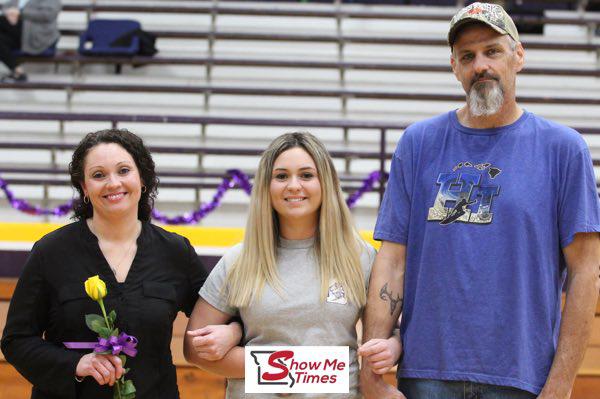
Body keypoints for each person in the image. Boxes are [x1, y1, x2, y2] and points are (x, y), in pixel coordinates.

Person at [359, 2, 600, 399]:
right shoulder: (418, 143)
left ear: (518, 56)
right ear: (454, 66)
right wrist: (371, 374)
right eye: (467, 56)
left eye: (492, 51)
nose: (480, 66)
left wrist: (559, 388)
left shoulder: (564, 150)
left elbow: (585, 274)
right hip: (426, 376)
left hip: (523, 379)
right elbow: (393, 260)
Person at [1, 128, 241, 398]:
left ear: (143, 179)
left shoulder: (175, 252)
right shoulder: (51, 252)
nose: (113, 183)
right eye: (98, 175)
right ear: (84, 188)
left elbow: (224, 315)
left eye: (124, 170)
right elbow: (16, 340)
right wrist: (76, 365)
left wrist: (233, 331)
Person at [183, 132, 389, 398]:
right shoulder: (239, 260)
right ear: (266, 187)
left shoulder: (361, 257)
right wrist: (287, 368)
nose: (293, 185)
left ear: (325, 182)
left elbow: (393, 337)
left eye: (306, 175)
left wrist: (283, 366)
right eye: (281, 176)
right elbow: (193, 348)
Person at [0, 0, 60, 82]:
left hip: (37, 34)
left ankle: (18, 73)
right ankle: (18, 72)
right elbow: (6, 7)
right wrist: (10, 13)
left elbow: (48, 14)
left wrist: (20, 13)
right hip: (16, 32)